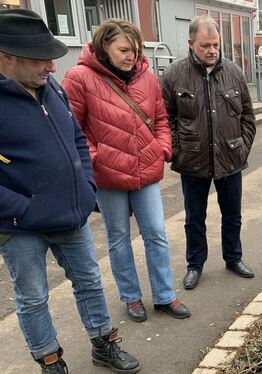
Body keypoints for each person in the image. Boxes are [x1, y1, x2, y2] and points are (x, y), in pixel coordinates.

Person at [0, 9, 140, 373]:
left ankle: (103, 345)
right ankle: (50, 361)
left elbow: (77, 137)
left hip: (71, 214)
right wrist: (25, 208)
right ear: (6, 57)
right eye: (39, 58)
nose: (50, 65)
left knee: (90, 282)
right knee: (32, 297)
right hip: (19, 225)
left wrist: (86, 183)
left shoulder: (53, 89)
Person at [61, 19, 190, 322]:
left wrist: (162, 149)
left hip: (145, 169)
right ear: (104, 46)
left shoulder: (147, 78)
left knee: (156, 233)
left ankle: (164, 295)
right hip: (108, 177)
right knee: (118, 238)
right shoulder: (79, 78)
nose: (130, 55)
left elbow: (161, 120)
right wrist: (96, 158)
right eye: (122, 49)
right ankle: (131, 297)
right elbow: (72, 129)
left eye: (134, 50)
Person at [161, 16, 256, 290]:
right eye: (205, 45)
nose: (212, 50)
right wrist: (178, 151)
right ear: (191, 44)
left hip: (230, 158)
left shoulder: (234, 72)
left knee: (232, 214)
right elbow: (164, 118)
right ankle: (195, 265)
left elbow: (247, 116)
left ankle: (233, 258)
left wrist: (241, 147)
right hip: (193, 160)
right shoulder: (174, 75)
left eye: (215, 44)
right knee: (194, 218)